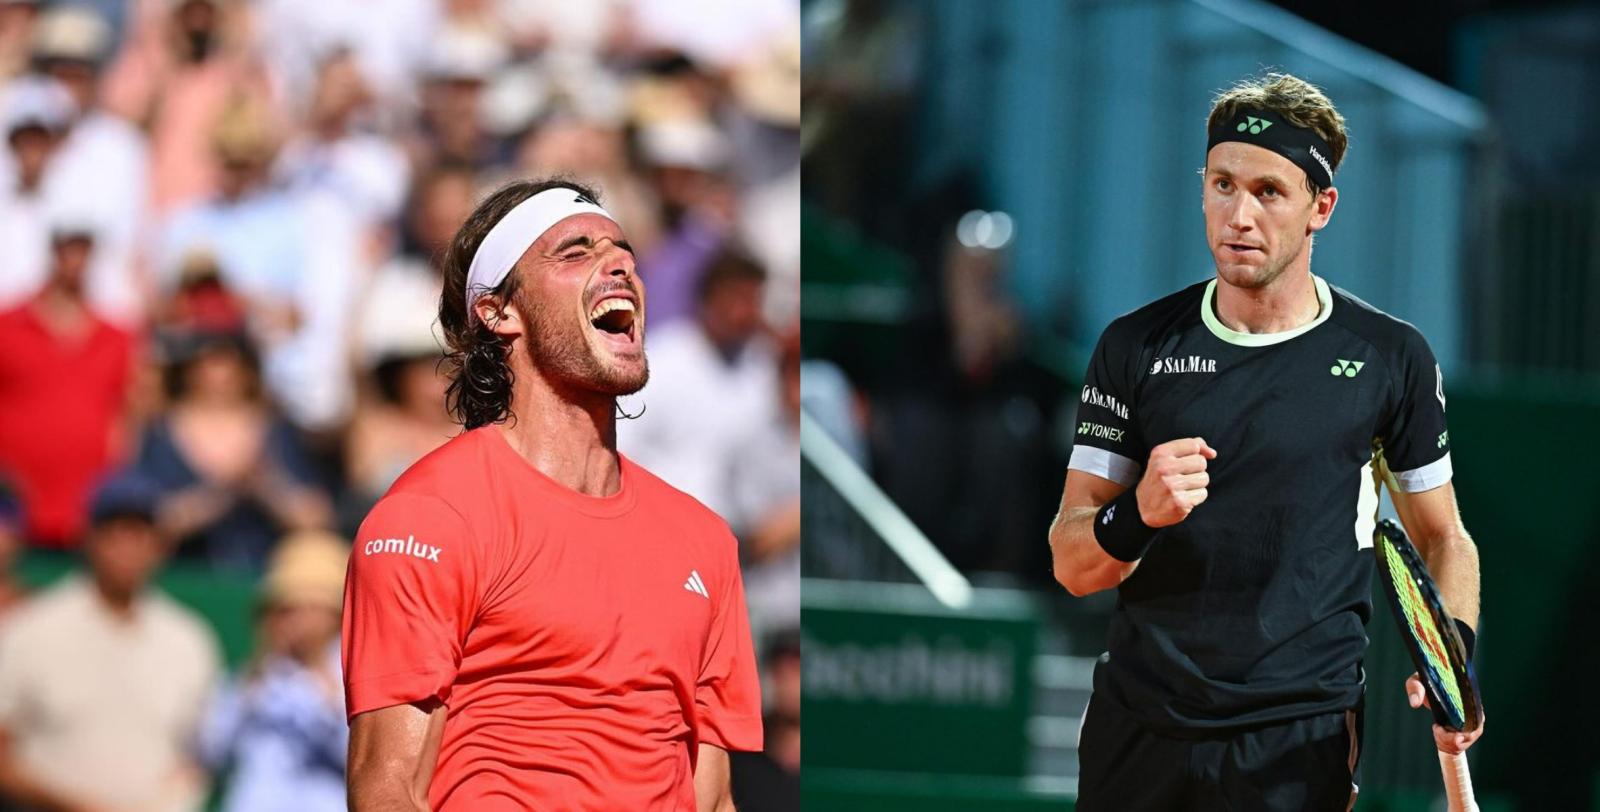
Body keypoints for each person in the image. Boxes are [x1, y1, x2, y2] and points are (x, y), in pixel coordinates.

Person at [1048, 73, 1484, 810]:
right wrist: (1139, 513)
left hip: (1296, 736)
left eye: (1268, 192)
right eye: (1222, 184)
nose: (1237, 215)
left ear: (1322, 207)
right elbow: (1072, 561)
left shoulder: (1390, 359)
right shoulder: (1134, 347)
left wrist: (1452, 657)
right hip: (1139, 726)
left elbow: (1445, 539)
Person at [342, 178, 762, 810]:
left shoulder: (706, 542)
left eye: (624, 252)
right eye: (575, 252)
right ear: (497, 311)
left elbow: (713, 799)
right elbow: (387, 790)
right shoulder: (430, 516)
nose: (619, 264)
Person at [0, 471, 222, 812]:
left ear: (160, 545)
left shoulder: (189, 639)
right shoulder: (30, 631)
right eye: (113, 530)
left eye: (140, 532)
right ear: (88, 538)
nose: (126, 545)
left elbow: (199, 757)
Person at [200, 530, 349, 812]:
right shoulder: (255, 674)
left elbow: (359, 757)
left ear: (334, 615)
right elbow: (212, 751)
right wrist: (253, 679)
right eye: (290, 609)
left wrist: (323, 683)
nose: (300, 620)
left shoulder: (350, 675)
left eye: (312, 609)